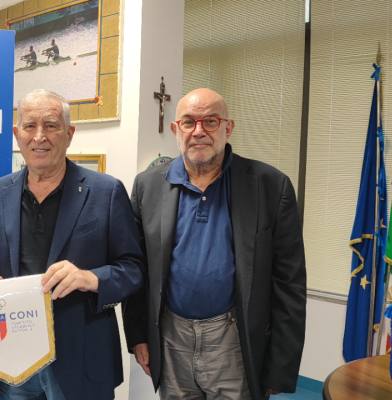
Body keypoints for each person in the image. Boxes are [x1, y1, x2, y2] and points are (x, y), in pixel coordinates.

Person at [123, 88, 306, 400]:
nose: (199, 132)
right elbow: (136, 269)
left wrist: (280, 365)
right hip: (171, 338)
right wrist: (138, 335)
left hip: (235, 341)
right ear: (175, 129)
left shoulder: (270, 186)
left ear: (228, 128)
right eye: (188, 122)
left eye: (210, 121)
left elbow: (289, 283)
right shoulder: (147, 186)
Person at [0, 89, 146, 400]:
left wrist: (90, 278)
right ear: (17, 134)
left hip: (81, 359)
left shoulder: (106, 192)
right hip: (13, 359)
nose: (40, 136)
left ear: (69, 134)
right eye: (30, 126)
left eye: (51, 126)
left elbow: (133, 269)